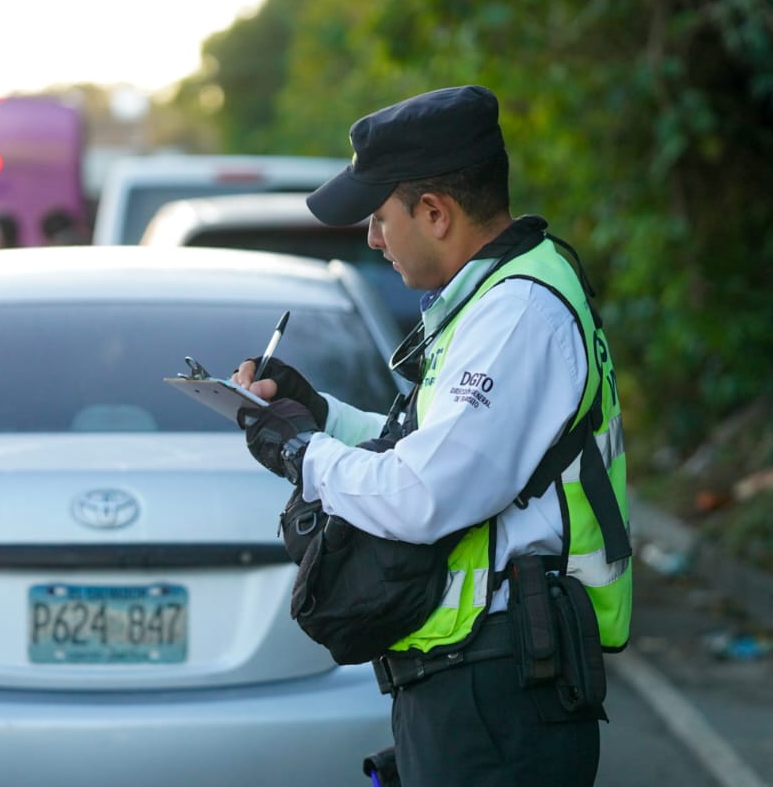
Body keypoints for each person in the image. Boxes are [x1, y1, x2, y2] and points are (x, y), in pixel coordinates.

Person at [231, 85, 630, 786]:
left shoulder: (517, 314)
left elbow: (422, 494)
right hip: (485, 685)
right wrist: (316, 413)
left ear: (436, 213)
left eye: (380, 219)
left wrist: (301, 452)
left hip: (504, 691)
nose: (373, 239)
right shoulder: (499, 297)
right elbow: (428, 447)